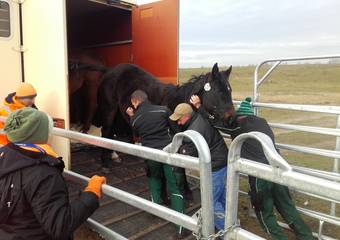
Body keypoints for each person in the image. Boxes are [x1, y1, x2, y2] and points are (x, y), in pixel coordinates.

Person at [191, 95, 313, 240]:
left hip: (259, 175)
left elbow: (216, 123)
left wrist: (199, 107)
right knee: (287, 207)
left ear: (240, 115)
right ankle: (306, 236)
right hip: (278, 170)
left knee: (264, 213)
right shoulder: (262, 122)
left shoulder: (239, 125)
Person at [0, 107, 106, 240]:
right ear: (40, 135)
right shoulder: (43, 173)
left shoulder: (4, 156)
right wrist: (91, 193)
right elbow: (60, 225)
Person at [126, 90, 187, 239]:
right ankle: (180, 227)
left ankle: (156, 209)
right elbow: (175, 129)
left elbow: (137, 134)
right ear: (146, 99)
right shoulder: (163, 110)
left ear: (135, 102)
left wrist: (131, 116)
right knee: (174, 187)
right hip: (168, 154)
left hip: (150, 155)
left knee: (154, 179)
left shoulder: (135, 119)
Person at [169, 103, 229, 232]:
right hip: (222, 160)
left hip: (215, 166)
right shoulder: (199, 118)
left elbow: (188, 151)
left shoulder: (194, 131)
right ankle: (226, 223)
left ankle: (226, 232)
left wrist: (179, 148)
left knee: (210, 203)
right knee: (221, 197)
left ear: (186, 115)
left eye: (179, 119)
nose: (178, 123)